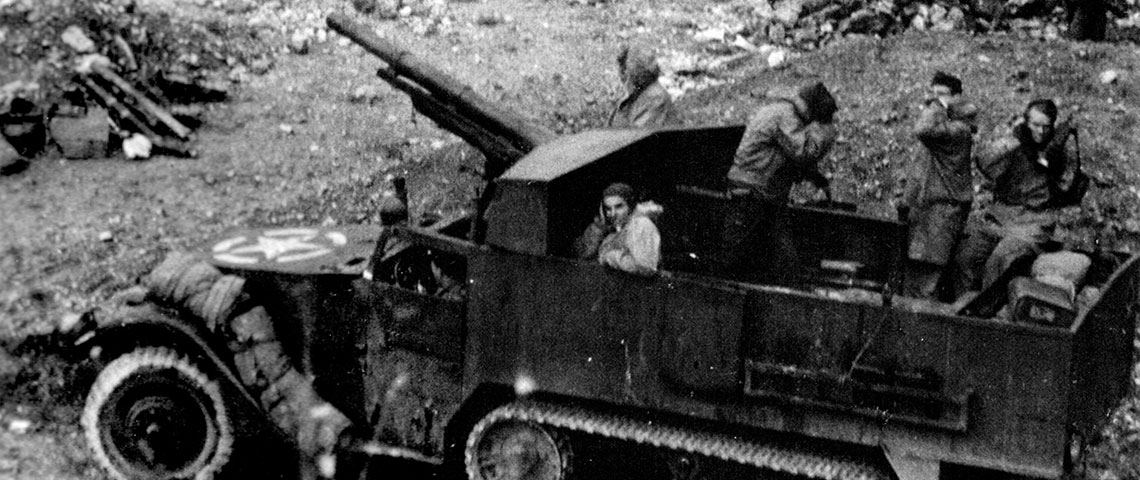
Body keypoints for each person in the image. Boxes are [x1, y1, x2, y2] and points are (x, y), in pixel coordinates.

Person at [951, 98, 1084, 298]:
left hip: (1034, 223)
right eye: (1036, 125)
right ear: (1025, 123)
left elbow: (1068, 186)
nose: (1041, 132)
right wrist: (1015, 140)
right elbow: (984, 162)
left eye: (1046, 127)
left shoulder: (1059, 151)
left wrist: (1056, 158)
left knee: (1001, 259)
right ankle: (963, 306)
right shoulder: (1015, 144)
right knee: (966, 257)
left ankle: (987, 315)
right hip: (1001, 217)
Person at [720, 82, 839, 285]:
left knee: (777, 252)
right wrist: (826, 132)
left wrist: (814, 176)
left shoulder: (785, 113)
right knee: (743, 252)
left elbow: (787, 154)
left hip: (761, 190)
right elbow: (803, 153)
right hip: (753, 190)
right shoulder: (786, 117)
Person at [899, 71, 978, 299]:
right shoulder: (944, 126)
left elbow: (921, 129)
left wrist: (935, 106)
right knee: (914, 275)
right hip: (928, 208)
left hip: (942, 211)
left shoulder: (958, 131)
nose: (935, 100)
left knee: (926, 279)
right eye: (932, 94)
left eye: (942, 95)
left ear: (958, 97)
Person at [573, 182, 662, 275]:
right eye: (608, 208)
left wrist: (612, 257)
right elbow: (584, 255)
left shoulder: (640, 224)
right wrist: (600, 227)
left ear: (630, 206)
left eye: (619, 207)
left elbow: (646, 267)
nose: (613, 213)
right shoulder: (614, 231)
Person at [607, 45, 681, 128]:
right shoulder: (637, 95)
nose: (621, 75)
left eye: (624, 70)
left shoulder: (656, 97)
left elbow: (636, 135)